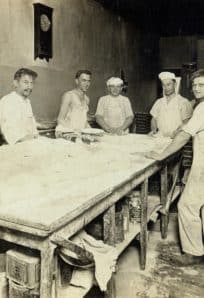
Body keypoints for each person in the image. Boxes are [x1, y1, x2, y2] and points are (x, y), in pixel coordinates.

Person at [146, 69, 204, 266]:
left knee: (186, 205)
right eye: (195, 85)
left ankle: (193, 253)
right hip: (200, 162)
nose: (197, 88)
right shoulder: (199, 105)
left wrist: (162, 155)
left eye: (201, 85)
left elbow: (184, 134)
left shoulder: (200, 108)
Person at [0, 68, 38, 145]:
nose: (29, 87)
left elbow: (31, 127)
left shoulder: (27, 102)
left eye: (32, 83)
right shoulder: (9, 101)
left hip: (30, 142)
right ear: (16, 83)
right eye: (26, 82)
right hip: (16, 145)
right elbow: (10, 133)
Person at [150, 72, 193, 138]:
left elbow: (186, 123)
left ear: (175, 84)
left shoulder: (183, 102)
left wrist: (174, 134)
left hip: (176, 138)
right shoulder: (159, 102)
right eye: (164, 85)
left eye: (168, 84)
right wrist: (154, 131)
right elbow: (153, 119)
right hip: (160, 137)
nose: (166, 88)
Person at [56, 70, 92, 137]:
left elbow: (84, 121)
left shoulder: (87, 99)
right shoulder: (69, 95)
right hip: (67, 133)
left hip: (80, 134)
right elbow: (60, 119)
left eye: (88, 81)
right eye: (84, 80)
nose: (87, 84)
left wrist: (91, 131)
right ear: (77, 81)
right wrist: (72, 132)